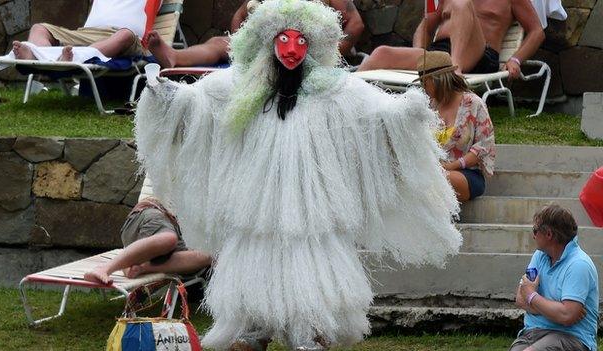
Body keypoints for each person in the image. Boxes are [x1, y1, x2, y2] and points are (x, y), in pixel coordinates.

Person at [135, 0, 462, 350]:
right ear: (269, 41)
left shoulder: (333, 88)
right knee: (255, 258)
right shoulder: (244, 85)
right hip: (258, 201)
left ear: (314, 44)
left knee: (314, 266)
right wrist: (169, 98)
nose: (292, 50)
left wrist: (404, 113)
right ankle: (254, 329)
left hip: (312, 204)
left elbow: (374, 110)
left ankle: (311, 333)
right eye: (285, 40)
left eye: (301, 42)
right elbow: (200, 102)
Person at [357, 0, 545, 80]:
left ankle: (454, 69)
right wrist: (419, 51)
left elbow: (536, 31)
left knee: (461, 3)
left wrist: (515, 59)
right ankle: (342, 98)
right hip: (441, 52)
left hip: (479, 54)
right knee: (381, 53)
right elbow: (426, 25)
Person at [145, 0, 365, 68]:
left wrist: (333, 54)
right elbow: (239, 15)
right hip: (264, 50)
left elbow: (355, 24)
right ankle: (174, 56)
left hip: (306, 51)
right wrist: (242, 43)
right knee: (218, 43)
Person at [510, 204, 599, 351]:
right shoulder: (539, 256)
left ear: (549, 234)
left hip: (571, 337)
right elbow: (520, 298)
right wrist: (556, 310)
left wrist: (532, 296)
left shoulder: (578, 265)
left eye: (535, 230)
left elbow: (566, 316)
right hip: (534, 332)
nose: (533, 235)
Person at [416, 51, 495, 202]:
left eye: (424, 82)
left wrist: (451, 166)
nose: (422, 87)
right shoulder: (430, 107)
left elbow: (483, 146)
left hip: (465, 173)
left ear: (437, 80)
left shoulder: (473, 104)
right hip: (434, 171)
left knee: (440, 179)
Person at [84, 197, 212, 285]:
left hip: (165, 239)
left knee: (209, 256)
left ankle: (140, 265)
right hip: (153, 214)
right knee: (168, 239)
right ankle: (104, 269)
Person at [12, 0, 160, 62]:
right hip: (87, 33)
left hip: (126, 37)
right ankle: (41, 56)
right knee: (39, 28)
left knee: (124, 34)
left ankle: (73, 57)